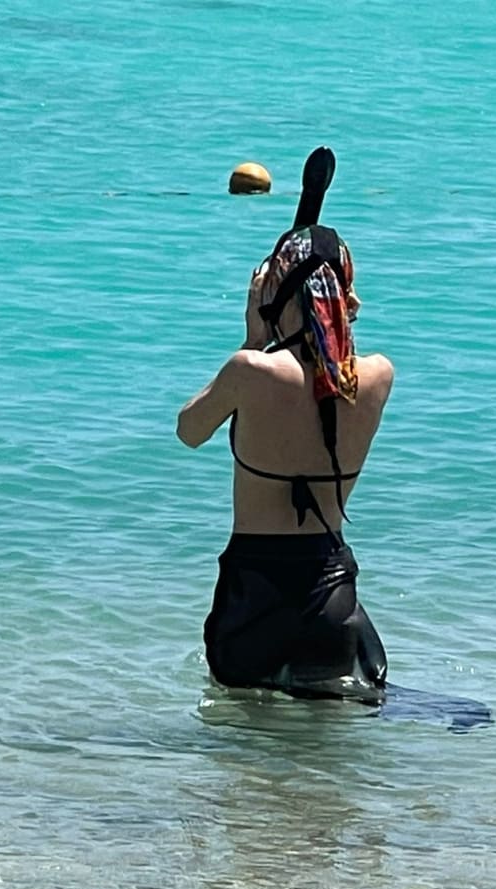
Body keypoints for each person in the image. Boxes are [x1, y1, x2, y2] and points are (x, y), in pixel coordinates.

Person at [177, 226, 394, 699]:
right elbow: (329, 367)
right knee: (324, 742)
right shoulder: (378, 375)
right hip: (334, 598)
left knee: (241, 737)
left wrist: (253, 339)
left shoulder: (250, 370)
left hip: (254, 594)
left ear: (272, 292)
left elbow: (188, 430)